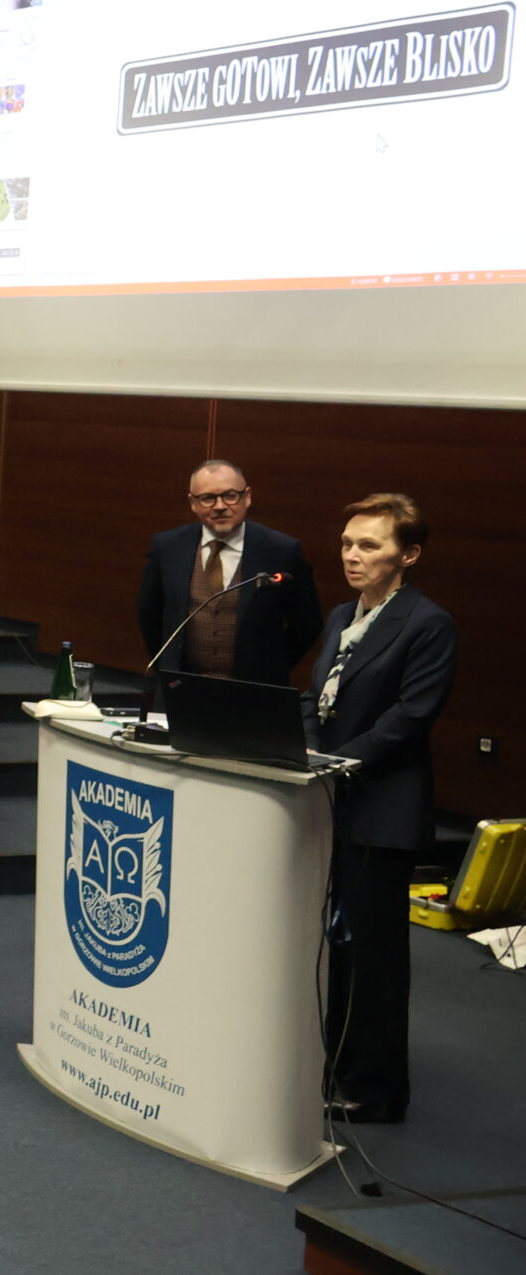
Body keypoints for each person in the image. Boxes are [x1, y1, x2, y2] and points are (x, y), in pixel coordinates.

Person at [305, 493, 452, 1125]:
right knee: (333, 945)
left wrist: (339, 763)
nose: (353, 556)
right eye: (346, 543)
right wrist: (307, 747)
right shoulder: (343, 614)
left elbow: (410, 718)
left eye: (370, 545)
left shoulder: (426, 623)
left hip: (381, 806)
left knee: (372, 954)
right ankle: (334, 1064)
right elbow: (318, 696)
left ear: (408, 554)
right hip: (328, 798)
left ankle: (375, 1089)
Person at [137, 458, 322, 684]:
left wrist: (271, 669)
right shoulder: (168, 547)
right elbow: (149, 614)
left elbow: (307, 623)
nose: (220, 506)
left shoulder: (281, 551)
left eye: (230, 495)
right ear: (193, 503)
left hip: (254, 693)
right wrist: (167, 667)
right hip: (180, 687)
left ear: (247, 497)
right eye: (207, 498)